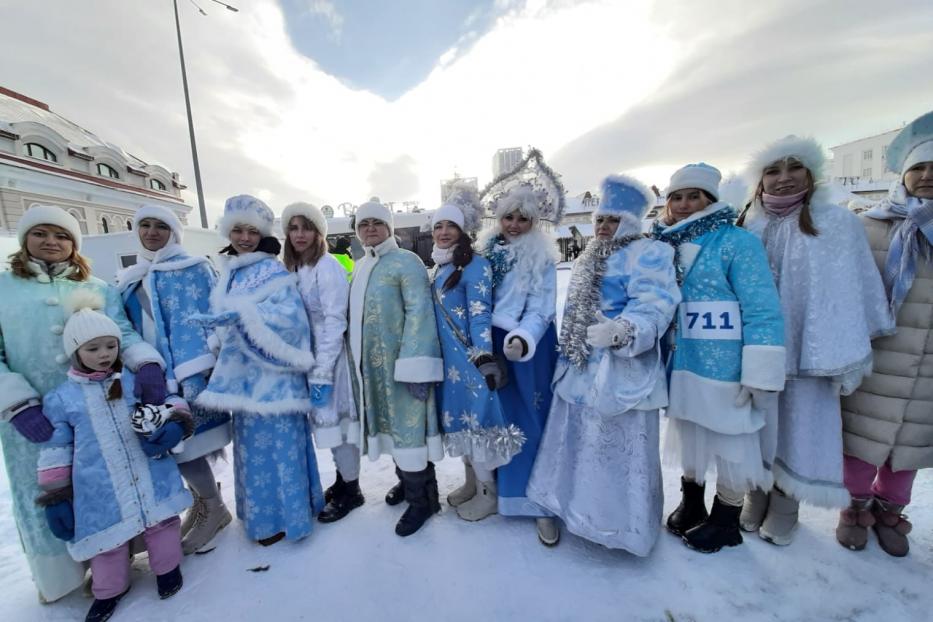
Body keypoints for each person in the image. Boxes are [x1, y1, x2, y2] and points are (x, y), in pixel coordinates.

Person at [0, 205, 165, 602]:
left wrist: (145, 363)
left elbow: (121, 331)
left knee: (105, 480)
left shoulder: (98, 287)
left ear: (74, 243)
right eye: (40, 234)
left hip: (100, 408)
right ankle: (62, 578)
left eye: (61, 236)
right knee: (48, 490)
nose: (51, 242)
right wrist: (16, 402)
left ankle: (115, 564)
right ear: (25, 241)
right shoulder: (3, 288)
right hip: (33, 415)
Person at [738, 136, 893, 545]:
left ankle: (787, 503)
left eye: (794, 168)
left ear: (811, 174)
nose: (784, 178)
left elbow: (853, 285)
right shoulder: (747, 227)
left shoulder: (836, 222)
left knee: (800, 427)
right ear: (759, 181)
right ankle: (756, 491)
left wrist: (838, 348)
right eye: (773, 170)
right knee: (756, 427)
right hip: (756, 355)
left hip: (810, 356)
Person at [527, 175, 680, 554]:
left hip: (619, 369)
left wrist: (624, 330)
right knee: (573, 440)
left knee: (612, 447)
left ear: (630, 222)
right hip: (579, 366)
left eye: (612, 220)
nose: (603, 227)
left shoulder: (650, 252)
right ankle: (567, 508)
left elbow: (656, 302)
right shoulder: (588, 253)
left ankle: (614, 524)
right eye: (600, 219)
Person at [651, 163, 785, 553]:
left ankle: (726, 519)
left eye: (694, 195)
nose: (685, 204)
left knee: (730, 441)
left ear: (711, 199)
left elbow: (762, 307)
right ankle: (692, 504)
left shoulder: (736, 242)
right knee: (690, 433)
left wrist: (759, 369)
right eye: (677, 196)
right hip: (682, 361)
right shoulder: (662, 245)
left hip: (726, 364)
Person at [37, 292, 192, 622]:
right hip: (98, 485)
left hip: (149, 470)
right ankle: (108, 590)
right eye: (92, 349)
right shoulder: (62, 398)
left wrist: (177, 422)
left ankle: (167, 569)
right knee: (106, 540)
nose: (104, 354)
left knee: (162, 523)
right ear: (75, 352)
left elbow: (170, 399)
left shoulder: (134, 379)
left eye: (110, 346)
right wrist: (55, 497)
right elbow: (56, 448)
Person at [193, 195, 324, 546]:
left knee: (281, 448)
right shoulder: (229, 272)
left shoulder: (271, 269)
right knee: (253, 453)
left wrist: (246, 318)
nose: (245, 238)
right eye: (238, 230)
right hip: (245, 382)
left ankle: (291, 517)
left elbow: (293, 322)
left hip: (276, 382)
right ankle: (262, 517)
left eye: (252, 231)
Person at [838, 111, 933, 556]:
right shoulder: (868, 226)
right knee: (860, 441)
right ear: (905, 174)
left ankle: (891, 509)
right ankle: (853, 506)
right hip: (879, 358)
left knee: (911, 448)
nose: (928, 176)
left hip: (929, 368)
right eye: (919, 168)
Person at [116, 205, 233, 554]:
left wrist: (200, 367)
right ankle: (202, 502)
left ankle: (215, 508)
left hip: (189, 376)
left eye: (160, 227)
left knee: (190, 450)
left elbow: (212, 317)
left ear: (174, 233)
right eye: (145, 226)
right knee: (170, 449)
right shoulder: (131, 277)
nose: (152, 232)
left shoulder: (194, 268)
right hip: (149, 379)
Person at [476, 149, 563, 545]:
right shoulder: (485, 252)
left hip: (526, 348)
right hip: (490, 344)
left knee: (529, 417)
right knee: (497, 419)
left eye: (522, 218)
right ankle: (502, 491)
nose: (513, 224)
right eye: (508, 216)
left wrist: (520, 338)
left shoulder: (541, 256)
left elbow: (543, 307)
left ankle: (540, 501)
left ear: (534, 220)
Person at [347, 198, 444, 537]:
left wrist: (415, 365)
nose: (370, 229)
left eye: (376, 223)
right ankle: (406, 482)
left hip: (403, 367)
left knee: (409, 429)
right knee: (390, 429)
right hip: (372, 369)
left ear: (389, 228)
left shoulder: (407, 261)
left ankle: (424, 500)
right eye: (364, 224)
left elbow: (420, 313)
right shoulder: (361, 266)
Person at [429, 186, 521, 522]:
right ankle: (471, 481)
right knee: (460, 424)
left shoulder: (475, 264)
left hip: (469, 362)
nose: (442, 232)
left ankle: (488, 493)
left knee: (477, 425)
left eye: (449, 227)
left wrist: (482, 356)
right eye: (438, 226)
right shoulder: (440, 267)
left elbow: (480, 311)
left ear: (462, 230)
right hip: (448, 364)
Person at [281, 202, 363, 524]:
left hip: (330, 358)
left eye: (307, 227)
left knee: (338, 425)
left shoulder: (326, 267)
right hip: (307, 357)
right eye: (294, 227)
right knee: (324, 424)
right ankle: (344, 481)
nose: (300, 234)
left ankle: (352, 489)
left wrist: (323, 367)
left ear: (319, 232)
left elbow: (335, 320)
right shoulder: (293, 267)